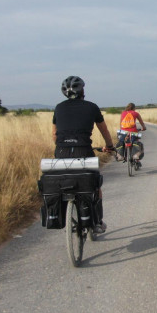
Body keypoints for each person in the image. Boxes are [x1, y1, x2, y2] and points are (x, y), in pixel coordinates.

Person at [52, 76, 114, 233]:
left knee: (65, 181)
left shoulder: (58, 108)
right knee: (94, 185)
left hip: (61, 152)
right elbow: (104, 130)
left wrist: (64, 146)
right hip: (83, 151)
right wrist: (109, 146)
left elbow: (54, 134)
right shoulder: (92, 107)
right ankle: (98, 221)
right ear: (82, 91)